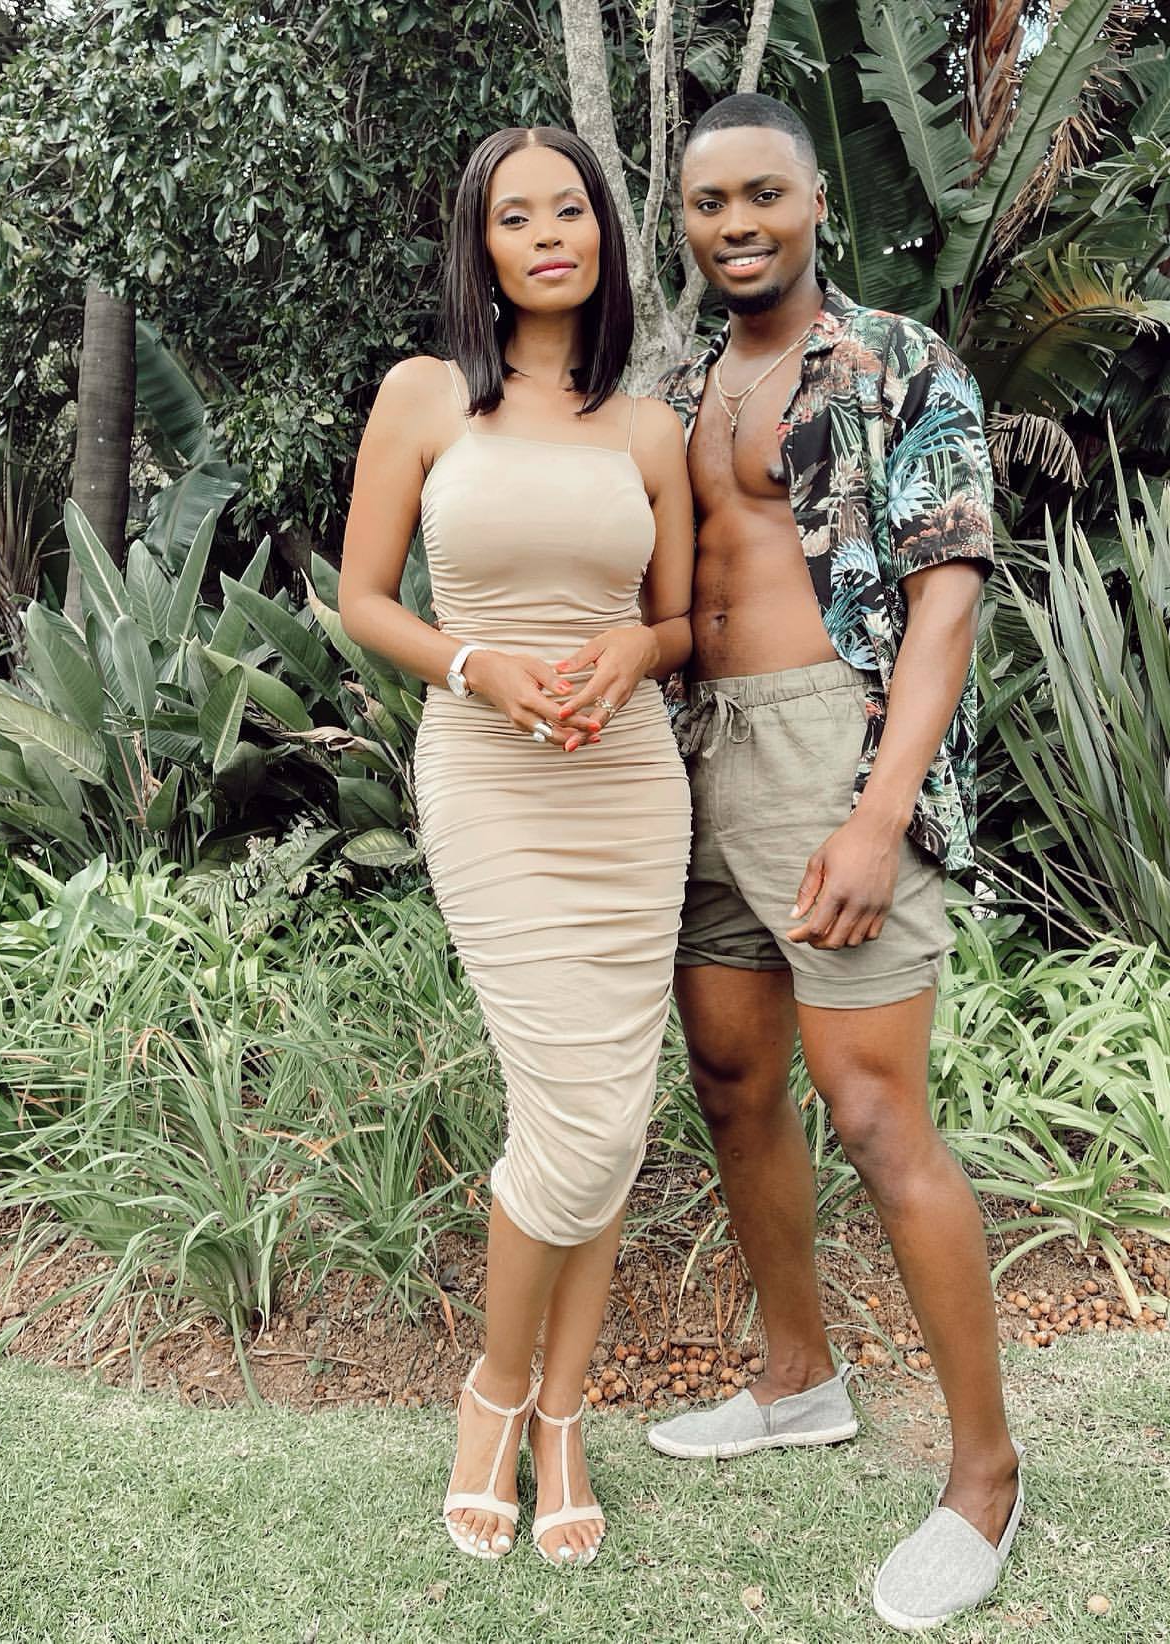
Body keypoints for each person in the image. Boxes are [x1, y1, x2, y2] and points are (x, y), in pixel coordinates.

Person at [645, 93, 1025, 1631]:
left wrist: (879, 810)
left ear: (814, 201)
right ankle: (797, 1378)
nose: (737, 224)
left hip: (834, 746)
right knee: (736, 1081)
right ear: (684, 222)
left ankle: (984, 1477)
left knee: (873, 1111)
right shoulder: (682, 384)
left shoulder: (898, 360)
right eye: (709, 203)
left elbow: (948, 596)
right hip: (698, 751)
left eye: (764, 195)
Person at [338, 124, 693, 1570]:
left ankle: (561, 1414)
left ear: (604, 232)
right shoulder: (424, 397)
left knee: (610, 1117)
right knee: (579, 1115)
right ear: (481, 249)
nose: (549, 235)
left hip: (626, 793)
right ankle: (496, 1393)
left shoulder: (649, 428)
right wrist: (475, 663)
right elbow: (365, 596)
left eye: (571, 210)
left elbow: (685, 622)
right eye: (516, 216)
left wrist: (637, 649)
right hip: (492, 780)